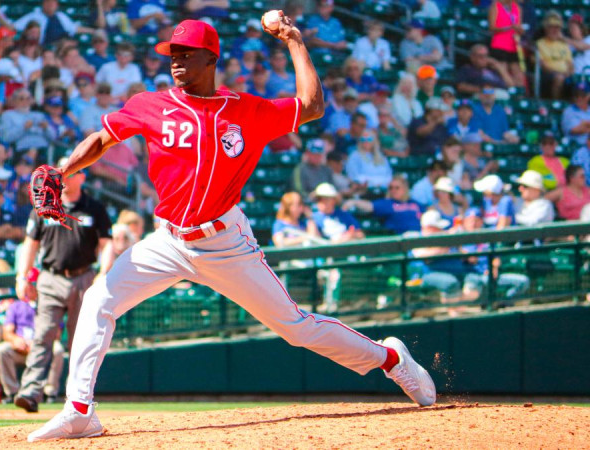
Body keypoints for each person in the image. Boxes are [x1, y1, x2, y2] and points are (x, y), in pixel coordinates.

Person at [24, 18, 436, 441]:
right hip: (166, 240)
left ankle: (390, 359)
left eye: (186, 54)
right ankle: (79, 410)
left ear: (211, 58)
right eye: (173, 55)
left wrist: (294, 40)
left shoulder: (247, 110)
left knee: (296, 328)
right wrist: (63, 168)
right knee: (98, 300)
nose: (177, 62)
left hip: (224, 242)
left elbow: (311, 106)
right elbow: (104, 138)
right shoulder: (151, 104)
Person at [13, 158, 111, 415]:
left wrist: (104, 273)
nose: (65, 177)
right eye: (61, 172)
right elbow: (30, 244)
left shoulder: (94, 208)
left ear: (82, 177)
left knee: (81, 339)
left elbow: (107, 243)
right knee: (43, 334)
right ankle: (30, 392)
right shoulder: (43, 206)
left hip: (84, 278)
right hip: (51, 277)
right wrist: (22, 276)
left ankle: (78, 397)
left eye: (72, 172)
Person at [0, 267, 64, 402]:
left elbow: (57, 333)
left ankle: (50, 393)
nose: (31, 287)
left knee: (58, 349)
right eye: (29, 283)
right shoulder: (15, 306)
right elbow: (7, 332)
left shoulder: (49, 305)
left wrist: (38, 343)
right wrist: (16, 340)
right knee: (1, 350)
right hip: (21, 349)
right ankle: (12, 393)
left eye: (34, 283)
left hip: (42, 350)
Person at [460, 207, 530, 301]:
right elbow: (472, 259)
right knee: (475, 283)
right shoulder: (460, 239)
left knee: (523, 281)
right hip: (472, 275)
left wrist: (493, 268)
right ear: (464, 222)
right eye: (469, 221)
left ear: (481, 222)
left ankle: (504, 303)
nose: (473, 224)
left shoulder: (487, 236)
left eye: (476, 220)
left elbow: (496, 258)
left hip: (490, 275)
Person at [344, 175, 423, 234]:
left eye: (397, 188)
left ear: (405, 189)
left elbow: (427, 211)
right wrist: (353, 202)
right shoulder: (387, 203)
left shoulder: (414, 203)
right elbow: (369, 206)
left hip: (420, 235)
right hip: (400, 238)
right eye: (391, 188)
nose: (393, 190)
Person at [14, 0, 93, 46]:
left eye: (53, 2)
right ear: (43, 3)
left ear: (57, 5)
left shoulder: (60, 16)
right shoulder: (34, 16)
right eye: (48, 2)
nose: (50, 5)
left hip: (61, 47)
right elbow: (14, 27)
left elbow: (74, 28)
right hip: (44, 47)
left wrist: (94, 31)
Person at [488, 0, 525, 89]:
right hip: (499, 44)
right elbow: (492, 27)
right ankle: (509, 93)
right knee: (504, 74)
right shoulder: (495, 6)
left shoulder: (518, 8)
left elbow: (518, 26)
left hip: (513, 45)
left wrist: (520, 30)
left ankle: (519, 95)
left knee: (519, 76)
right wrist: (509, 27)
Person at [537, 12, 573, 99]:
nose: (555, 30)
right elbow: (543, 65)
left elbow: (570, 64)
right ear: (546, 29)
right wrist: (559, 73)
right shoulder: (540, 43)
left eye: (557, 28)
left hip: (566, 74)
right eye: (552, 27)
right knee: (559, 78)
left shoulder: (563, 44)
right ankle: (556, 102)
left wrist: (569, 72)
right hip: (549, 75)